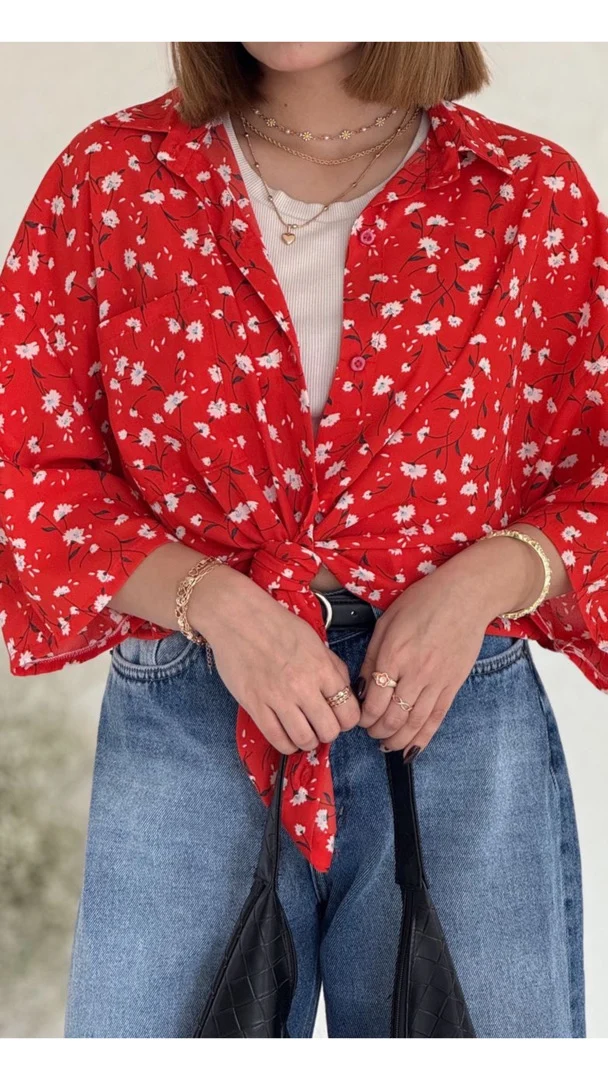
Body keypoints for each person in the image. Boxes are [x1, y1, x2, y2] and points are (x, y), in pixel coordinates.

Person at [1, 41, 606, 1038]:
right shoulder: (113, 177)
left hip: (452, 716)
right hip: (193, 717)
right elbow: (27, 458)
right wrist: (219, 605)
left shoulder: (523, 191)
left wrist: (477, 585)